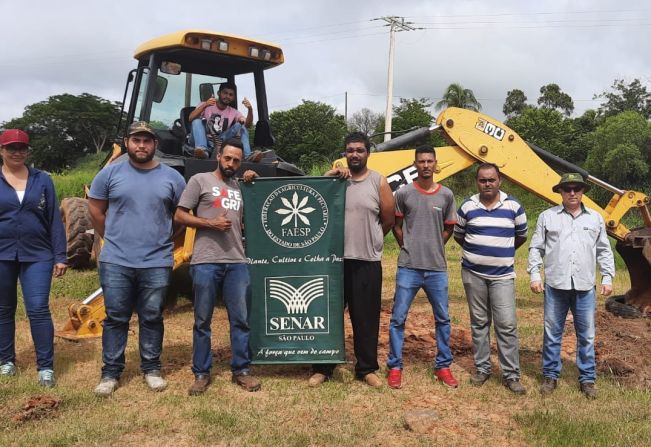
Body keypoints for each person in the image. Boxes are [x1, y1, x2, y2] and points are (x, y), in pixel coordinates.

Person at [88, 121, 186, 397]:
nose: (141, 145)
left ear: (155, 144)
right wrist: (112, 236)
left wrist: (165, 236)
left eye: (147, 140)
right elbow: (95, 210)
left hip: (156, 260)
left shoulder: (172, 178)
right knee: (116, 317)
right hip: (117, 260)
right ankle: (110, 373)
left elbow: (180, 216)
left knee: (152, 316)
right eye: (136, 140)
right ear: (127, 142)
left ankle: (152, 368)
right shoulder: (110, 174)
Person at [174, 139, 260, 394]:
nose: (231, 163)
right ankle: (201, 373)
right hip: (205, 261)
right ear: (219, 156)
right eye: (228, 158)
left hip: (236, 261)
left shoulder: (239, 185)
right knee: (203, 320)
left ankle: (241, 370)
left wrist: (252, 179)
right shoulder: (200, 180)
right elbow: (179, 214)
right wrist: (209, 223)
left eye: (236, 160)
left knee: (241, 320)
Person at [309, 132, 394, 388]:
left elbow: (388, 219)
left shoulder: (378, 181)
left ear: (368, 153)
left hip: (366, 260)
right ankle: (323, 367)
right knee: (327, 316)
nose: (354, 154)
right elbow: (311, 198)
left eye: (359, 150)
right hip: (332, 261)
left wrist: (373, 239)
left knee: (365, 318)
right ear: (344, 153)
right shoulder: (336, 180)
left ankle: (366, 368)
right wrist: (328, 177)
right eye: (350, 150)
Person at [528, 173, 615, 399]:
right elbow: (536, 248)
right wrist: (534, 275)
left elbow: (604, 250)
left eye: (577, 188)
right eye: (568, 189)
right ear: (560, 192)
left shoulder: (594, 219)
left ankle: (587, 379)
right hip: (555, 286)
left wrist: (607, 277)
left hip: (585, 286)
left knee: (586, 335)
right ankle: (550, 375)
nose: (572, 193)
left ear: (583, 191)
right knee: (552, 333)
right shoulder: (548, 217)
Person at [386, 145, 458, 390]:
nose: (425, 165)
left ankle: (443, 366)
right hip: (408, 267)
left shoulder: (446, 195)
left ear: (435, 163)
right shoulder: (404, 193)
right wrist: (407, 246)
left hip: (436, 269)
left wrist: (436, 245)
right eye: (421, 161)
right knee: (398, 319)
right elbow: (397, 225)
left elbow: (449, 227)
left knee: (443, 318)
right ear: (415, 164)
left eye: (429, 161)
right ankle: (395, 367)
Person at [0, 129, 67, 387]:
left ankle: (46, 367)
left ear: (28, 151)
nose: (17, 152)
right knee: (4, 309)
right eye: (11, 147)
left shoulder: (42, 179)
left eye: (22, 148)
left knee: (38, 309)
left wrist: (59, 256)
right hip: (3, 253)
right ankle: (6, 361)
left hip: (38, 254)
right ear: (2, 150)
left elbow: (54, 219)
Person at [454, 163, 528, 394]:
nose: (487, 184)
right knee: (479, 323)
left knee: (506, 324)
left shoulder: (513, 206)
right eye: (483, 180)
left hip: (502, 276)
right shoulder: (467, 206)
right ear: (477, 182)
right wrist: (479, 254)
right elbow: (459, 235)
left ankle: (511, 375)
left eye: (491, 180)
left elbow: (521, 236)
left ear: (500, 181)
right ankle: (483, 368)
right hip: (473, 274)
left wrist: (499, 254)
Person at [188, 82, 254, 159]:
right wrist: (205, 105)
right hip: (202, 138)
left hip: (220, 140)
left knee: (242, 126)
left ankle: (248, 156)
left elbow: (247, 124)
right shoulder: (205, 104)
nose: (227, 96)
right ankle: (203, 151)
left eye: (230, 95)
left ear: (233, 98)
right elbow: (190, 118)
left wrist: (250, 109)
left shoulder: (234, 112)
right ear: (219, 93)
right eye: (225, 93)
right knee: (197, 121)